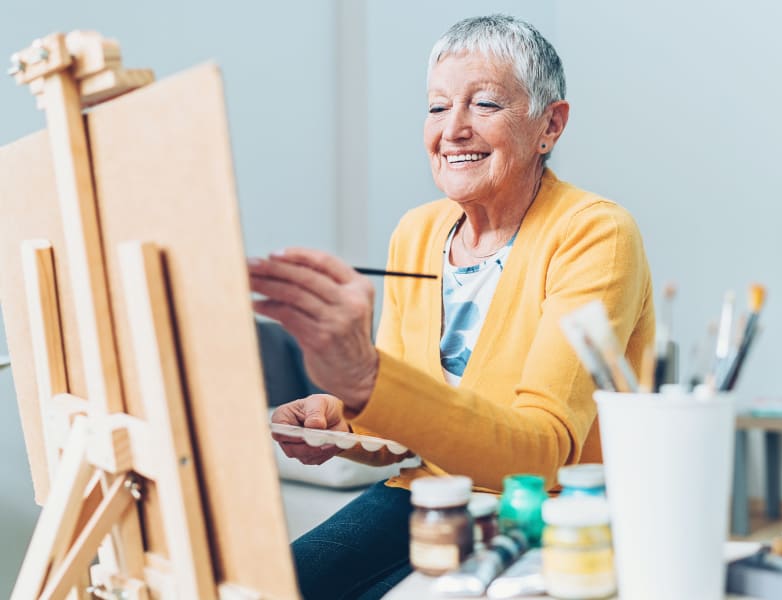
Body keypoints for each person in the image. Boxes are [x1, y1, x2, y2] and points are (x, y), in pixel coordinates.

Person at [248, 14, 654, 599]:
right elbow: (406, 405)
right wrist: (340, 416)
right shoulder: (416, 231)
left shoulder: (594, 233)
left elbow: (538, 456)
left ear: (550, 125)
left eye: (485, 104)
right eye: (438, 108)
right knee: (272, 589)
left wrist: (368, 381)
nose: (453, 129)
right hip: (425, 495)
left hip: (546, 510)